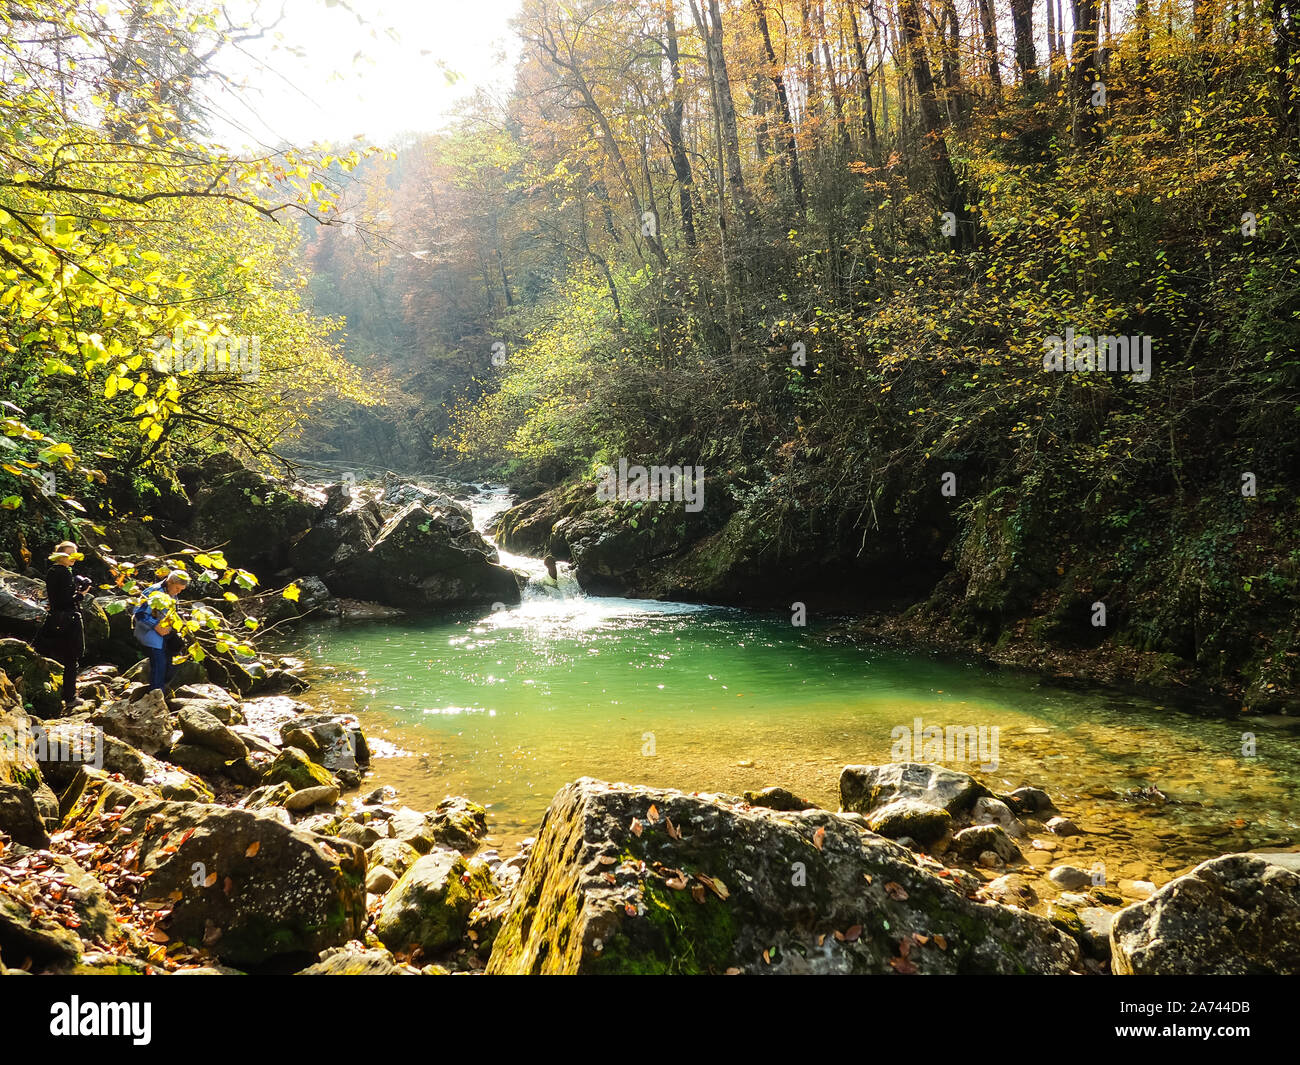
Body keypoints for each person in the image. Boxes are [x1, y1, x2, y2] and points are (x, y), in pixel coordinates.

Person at [35, 540, 89, 712]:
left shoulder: (52, 571)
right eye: (69, 553)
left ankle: (46, 695)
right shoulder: (64, 573)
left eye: (75, 553)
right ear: (60, 555)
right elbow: (65, 600)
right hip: (68, 620)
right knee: (72, 659)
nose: (73, 557)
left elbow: (56, 598)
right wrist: (81, 595)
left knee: (55, 656)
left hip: (55, 619)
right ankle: (70, 697)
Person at [132, 569, 190, 692]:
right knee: (159, 664)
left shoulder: (173, 593)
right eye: (177, 588)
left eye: (181, 590)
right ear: (170, 582)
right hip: (149, 632)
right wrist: (156, 626)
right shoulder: (153, 592)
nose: (178, 592)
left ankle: (158, 688)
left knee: (176, 659)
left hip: (167, 633)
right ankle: (156, 696)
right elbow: (139, 614)